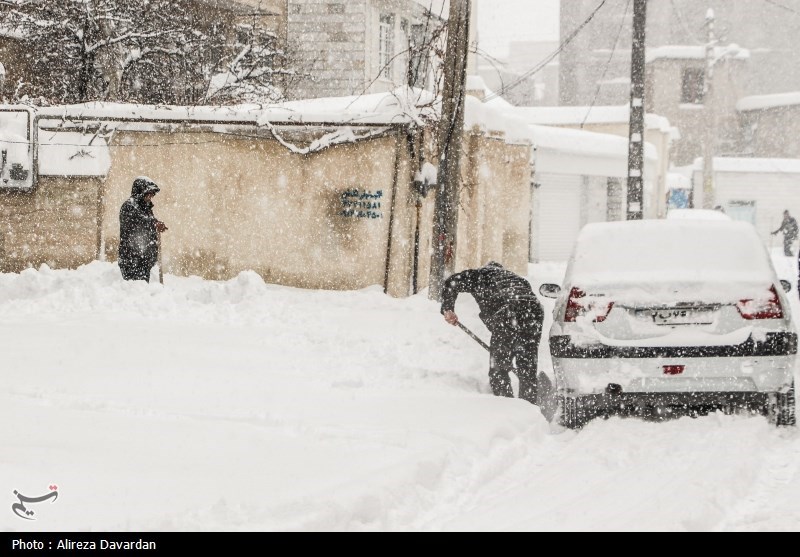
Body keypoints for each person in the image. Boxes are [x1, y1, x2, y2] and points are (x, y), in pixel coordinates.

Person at [440, 261, 544, 403]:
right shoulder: (516, 278)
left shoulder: (479, 275)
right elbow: (524, 300)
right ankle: (529, 406)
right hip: (534, 312)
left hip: (508, 310)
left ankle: (505, 407)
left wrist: (448, 308)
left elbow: (452, 281)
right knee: (526, 365)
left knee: (499, 369)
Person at [118, 176, 168, 282]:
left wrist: (156, 224)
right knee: (134, 290)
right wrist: (154, 224)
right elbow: (138, 222)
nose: (151, 196)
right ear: (141, 192)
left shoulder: (146, 209)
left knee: (142, 290)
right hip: (132, 260)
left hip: (144, 259)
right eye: (149, 193)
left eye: (152, 194)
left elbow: (147, 221)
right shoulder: (129, 206)